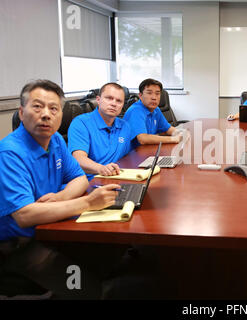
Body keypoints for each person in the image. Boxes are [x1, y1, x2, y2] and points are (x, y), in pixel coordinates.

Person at [0, 80, 123, 298]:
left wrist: (59, 197)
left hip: (51, 228)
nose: (46, 114)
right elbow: (24, 215)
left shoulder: (55, 139)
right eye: (37, 106)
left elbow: (80, 179)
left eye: (53, 108)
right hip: (18, 246)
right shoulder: (10, 152)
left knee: (109, 251)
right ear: (21, 112)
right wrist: (87, 203)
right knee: (84, 287)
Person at [68, 82, 135, 180]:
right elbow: (78, 159)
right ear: (98, 100)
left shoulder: (125, 126)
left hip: (116, 177)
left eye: (119, 101)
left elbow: (128, 157)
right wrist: (101, 169)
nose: (113, 104)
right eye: (109, 98)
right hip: (90, 182)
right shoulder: (81, 123)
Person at [123, 78, 184, 145]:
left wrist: (180, 133)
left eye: (157, 94)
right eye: (149, 93)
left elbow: (167, 129)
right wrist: (173, 139)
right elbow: (143, 139)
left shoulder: (156, 109)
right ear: (140, 95)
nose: (154, 97)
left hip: (147, 149)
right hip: (133, 153)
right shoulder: (135, 110)